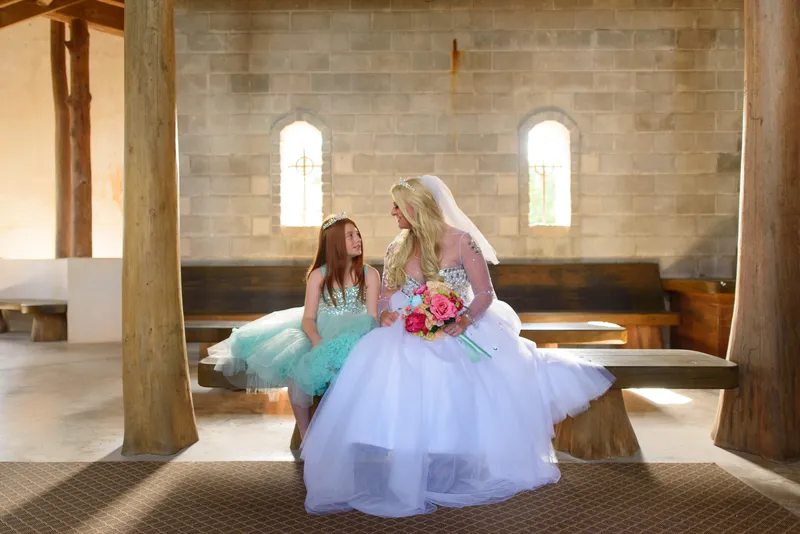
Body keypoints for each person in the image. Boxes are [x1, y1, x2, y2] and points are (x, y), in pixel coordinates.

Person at [301, 176, 616, 518]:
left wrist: (462, 320)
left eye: (397, 206)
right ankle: (403, 462)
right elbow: (388, 294)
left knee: (449, 373)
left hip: (458, 326)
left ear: (414, 207)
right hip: (407, 328)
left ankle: (449, 461)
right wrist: (387, 313)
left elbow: (484, 294)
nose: (392, 212)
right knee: (389, 372)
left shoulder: (463, 242)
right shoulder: (397, 247)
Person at [210, 213, 380, 440]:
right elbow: (308, 319)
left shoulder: (369, 274)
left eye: (357, 233)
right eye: (350, 235)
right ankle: (305, 434)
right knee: (298, 373)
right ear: (335, 243)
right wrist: (317, 341)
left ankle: (346, 433)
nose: (357, 238)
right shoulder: (319, 276)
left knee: (346, 371)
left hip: (354, 334)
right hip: (320, 332)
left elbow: (370, 318)